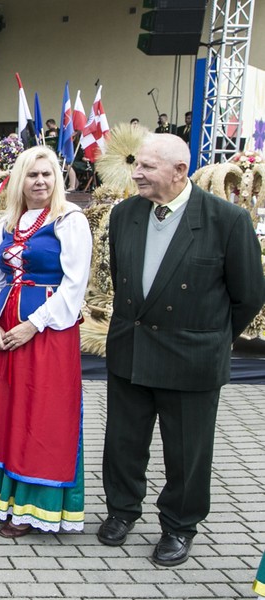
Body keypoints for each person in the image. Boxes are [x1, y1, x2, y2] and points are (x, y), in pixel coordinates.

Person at [99, 133, 265, 566]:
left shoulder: (226, 220)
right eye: (136, 163)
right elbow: (124, 278)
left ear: (179, 171)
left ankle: (178, 525)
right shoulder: (125, 214)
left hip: (191, 358)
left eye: (148, 167)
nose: (136, 172)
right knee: (122, 442)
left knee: (187, 452)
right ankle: (122, 511)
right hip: (132, 350)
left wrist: (210, 339)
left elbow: (248, 295)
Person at [0, 145, 91, 537]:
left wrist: (34, 324)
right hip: (4, 328)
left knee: (40, 412)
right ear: (19, 180)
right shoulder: (9, 223)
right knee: (6, 409)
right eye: (32, 175)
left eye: (47, 174)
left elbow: (74, 286)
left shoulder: (69, 220)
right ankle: (4, 496)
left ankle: (32, 506)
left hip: (47, 332)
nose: (40, 182)